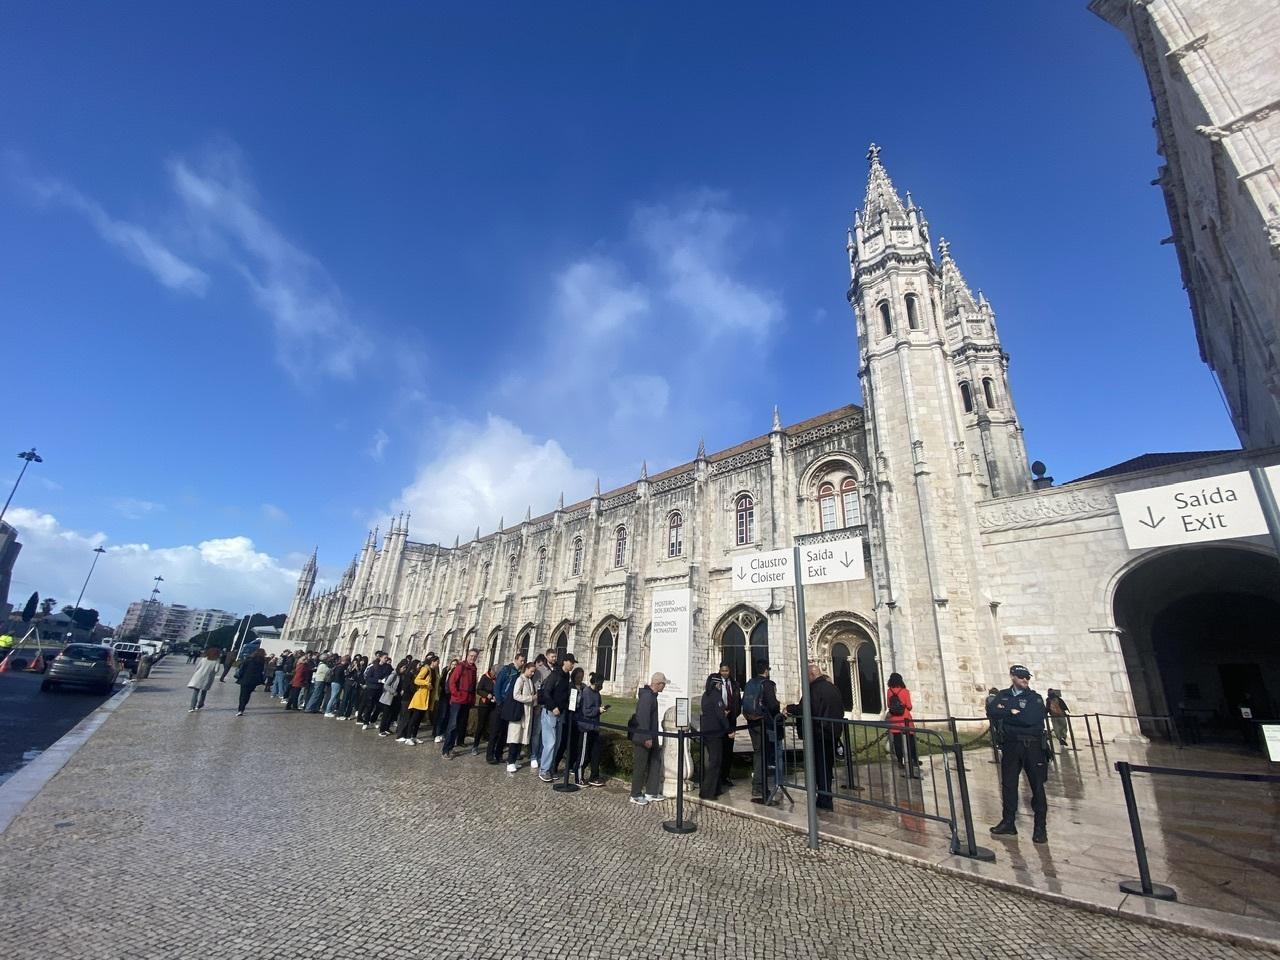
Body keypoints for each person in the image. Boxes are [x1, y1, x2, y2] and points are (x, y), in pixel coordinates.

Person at [986, 664, 1049, 844]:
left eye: (1027, 677)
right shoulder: (1003, 694)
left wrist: (1007, 714)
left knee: (1037, 786)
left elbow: (1030, 719)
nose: (1025, 680)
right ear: (1012, 676)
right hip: (1011, 745)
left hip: (1032, 746)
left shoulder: (1035, 698)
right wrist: (1011, 712)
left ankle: (1040, 828)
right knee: (1008, 784)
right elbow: (992, 711)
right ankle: (1008, 822)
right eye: (1021, 677)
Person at [786, 664, 845, 810]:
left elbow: (804, 708)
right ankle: (825, 796)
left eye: (807, 677)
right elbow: (840, 709)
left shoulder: (813, 690)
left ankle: (824, 800)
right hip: (832, 733)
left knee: (820, 767)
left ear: (812, 675)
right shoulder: (833, 688)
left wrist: (789, 708)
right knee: (827, 767)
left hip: (818, 733)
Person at [742, 659, 783, 802]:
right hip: (763, 722)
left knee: (758, 752)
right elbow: (772, 705)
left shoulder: (750, 683)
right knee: (764, 753)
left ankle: (758, 784)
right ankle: (760, 785)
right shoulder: (767, 684)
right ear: (766, 670)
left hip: (751, 721)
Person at [629, 672, 667, 805]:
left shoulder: (652, 696)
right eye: (663, 684)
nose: (664, 687)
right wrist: (646, 737)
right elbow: (643, 718)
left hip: (652, 735)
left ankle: (651, 791)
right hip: (644, 736)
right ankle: (635, 794)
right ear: (658, 684)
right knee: (641, 765)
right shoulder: (647, 697)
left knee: (655, 762)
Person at [537, 653, 576, 781]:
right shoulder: (555, 674)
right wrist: (553, 707)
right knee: (550, 743)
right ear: (565, 662)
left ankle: (550, 768)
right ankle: (543, 770)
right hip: (550, 712)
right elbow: (546, 692)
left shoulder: (566, 675)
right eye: (571, 662)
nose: (573, 665)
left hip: (560, 713)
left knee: (556, 743)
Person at [487, 654, 525, 764]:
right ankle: (490, 755)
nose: (522, 663)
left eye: (524, 661)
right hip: (502, 703)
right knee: (495, 731)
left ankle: (498, 755)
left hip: (510, 705)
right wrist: (499, 702)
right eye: (521, 660)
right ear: (516, 660)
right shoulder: (506, 670)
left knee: (504, 732)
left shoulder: (520, 673)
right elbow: (498, 686)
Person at [442, 649, 479, 758]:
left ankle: (451, 747)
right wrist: (456, 694)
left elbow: (473, 686)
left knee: (458, 725)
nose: (473, 658)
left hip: (467, 701)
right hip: (457, 701)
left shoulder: (474, 669)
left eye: (475, 656)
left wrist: (472, 700)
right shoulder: (460, 666)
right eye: (471, 655)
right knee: (452, 725)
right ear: (467, 656)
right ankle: (445, 750)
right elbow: (452, 682)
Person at [699, 674, 730, 799]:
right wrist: (729, 729)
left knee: (714, 760)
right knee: (715, 762)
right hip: (715, 732)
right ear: (717, 684)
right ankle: (707, 791)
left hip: (706, 730)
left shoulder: (705, 695)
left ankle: (716, 788)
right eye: (720, 684)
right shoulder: (716, 695)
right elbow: (720, 714)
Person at [504, 660, 539, 771]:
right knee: (515, 738)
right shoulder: (520, 679)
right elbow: (516, 695)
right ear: (526, 669)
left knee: (521, 738)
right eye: (531, 671)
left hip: (527, 712)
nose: (532, 673)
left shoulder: (529, 681)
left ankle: (514, 760)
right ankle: (510, 762)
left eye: (534, 672)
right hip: (519, 712)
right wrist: (531, 698)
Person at [575, 671, 607, 786]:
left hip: (595, 727)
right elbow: (586, 711)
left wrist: (600, 709)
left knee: (595, 753)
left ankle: (594, 776)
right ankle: (579, 777)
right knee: (584, 754)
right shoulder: (587, 693)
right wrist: (598, 710)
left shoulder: (597, 693)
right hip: (586, 728)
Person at [886, 672, 921, 778]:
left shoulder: (889, 691)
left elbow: (889, 705)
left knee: (897, 742)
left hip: (894, 719)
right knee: (910, 740)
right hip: (905, 719)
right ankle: (913, 759)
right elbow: (909, 706)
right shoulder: (905, 691)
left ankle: (900, 762)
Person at [397, 654, 438, 744]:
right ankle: (408, 737)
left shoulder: (434, 671)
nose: (438, 664)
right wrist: (426, 683)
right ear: (433, 662)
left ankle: (414, 736)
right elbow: (417, 680)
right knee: (414, 718)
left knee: (419, 719)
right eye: (437, 662)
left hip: (427, 697)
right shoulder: (426, 669)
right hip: (420, 697)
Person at [717, 661, 741, 789]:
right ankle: (718, 776)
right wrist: (721, 712)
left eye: (726, 670)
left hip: (731, 720)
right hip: (719, 721)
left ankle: (725, 776)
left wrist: (733, 713)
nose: (724, 673)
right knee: (719, 749)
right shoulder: (715, 683)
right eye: (722, 670)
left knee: (728, 749)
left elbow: (737, 702)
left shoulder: (735, 684)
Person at [376, 660, 410, 736]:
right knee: (386, 714)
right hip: (389, 697)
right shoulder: (393, 675)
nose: (404, 669)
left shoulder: (402, 676)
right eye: (403, 668)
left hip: (396, 698)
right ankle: (382, 730)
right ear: (399, 667)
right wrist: (394, 692)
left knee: (391, 714)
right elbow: (386, 685)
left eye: (405, 668)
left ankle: (387, 728)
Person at [472, 664, 497, 756]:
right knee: (481, 725)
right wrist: (486, 695)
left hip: (493, 705)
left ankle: (490, 746)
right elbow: (478, 690)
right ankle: (475, 746)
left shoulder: (496, 679)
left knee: (492, 725)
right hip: (484, 704)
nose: (495, 675)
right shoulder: (484, 677)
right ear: (491, 671)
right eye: (494, 673)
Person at [186, 646, 221, 712]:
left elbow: (197, 667)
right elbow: (216, 670)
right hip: (207, 677)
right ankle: (200, 704)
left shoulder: (204, 659)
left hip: (198, 676)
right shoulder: (216, 661)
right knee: (204, 691)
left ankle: (192, 707)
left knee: (195, 692)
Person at [433, 657, 459, 741]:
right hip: (444, 695)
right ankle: (437, 734)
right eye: (453, 664)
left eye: (456, 665)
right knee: (442, 715)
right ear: (450, 665)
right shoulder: (446, 672)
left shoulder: (457, 674)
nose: (454, 666)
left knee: (448, 715)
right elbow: (441, 682)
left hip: (451, 696)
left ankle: (442, 733)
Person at [235, 648, 267, 716]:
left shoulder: (249, 659)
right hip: (254, 681)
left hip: (245, 679)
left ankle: (241, 709)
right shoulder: (262, 661)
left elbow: (242, 668)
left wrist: (240, 675)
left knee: (242, 695)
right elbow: (261, 671)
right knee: (248, 694)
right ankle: (243, 707)